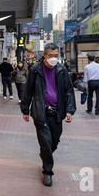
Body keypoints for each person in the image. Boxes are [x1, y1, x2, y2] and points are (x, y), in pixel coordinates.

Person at [20, 43, 76, 187]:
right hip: (41, 112)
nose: (53, 58)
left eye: (56, 56)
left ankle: (45, 155)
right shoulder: (35, 70)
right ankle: (48, 172)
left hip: (57, 113)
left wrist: (70, 110)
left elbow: (69, 91)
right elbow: (28, 91)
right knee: (46, 142)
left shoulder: (62, 70)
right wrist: (25, 110)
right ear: (44, 55)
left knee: (54, 142)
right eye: (51, 55)